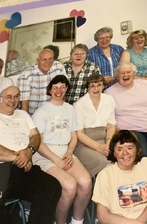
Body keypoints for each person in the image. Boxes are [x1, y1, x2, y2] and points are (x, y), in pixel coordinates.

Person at [0, 86, 62, 224]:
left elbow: (35, 136)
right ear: (0, 99)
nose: (13, 100)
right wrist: (19, 158)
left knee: (52, 186)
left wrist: (29, 151)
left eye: (16, 96)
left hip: (21, 170)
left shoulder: (23, 115)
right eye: (8, 96)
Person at [32, 75, 92, 224]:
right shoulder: (41, 112)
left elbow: (74, 136)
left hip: (65, 151)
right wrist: (56, 160)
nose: (58, 91)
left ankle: (77, 220)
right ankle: (60, 222)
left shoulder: (70, 109)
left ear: (66, 89)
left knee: (85, 183)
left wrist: (69, 152)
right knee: (70, 186)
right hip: (45, 154)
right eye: (55, 87)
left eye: (62, 87)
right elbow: (37, 143)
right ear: (49, 90)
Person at [92, 130, 147, 224]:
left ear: (137, 149)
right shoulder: (105, 175)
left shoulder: (146, 164)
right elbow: (103, 216)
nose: (125, 153)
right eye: (119, 149)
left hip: (144, 220)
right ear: (114, 153)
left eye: (130, 148)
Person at [105, 61, 147, 156]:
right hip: (130, 129)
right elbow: (107, 117)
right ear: (118, 75)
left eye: (129, 72)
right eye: (122, 73)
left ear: (134, 74)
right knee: (141, 154)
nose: (126, 75)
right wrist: (118, 131)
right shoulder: (109, 92)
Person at [73, 73, 116, 177]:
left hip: (105, 140)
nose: (96, 88)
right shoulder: (79, 105)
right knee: (105, 165)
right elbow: (80, 134)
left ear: (103, 86)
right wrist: (99, 147)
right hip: (85, 144)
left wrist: (108, 143)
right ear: (87, 88)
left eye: (99, 85)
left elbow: (111, 125)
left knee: (120, 160)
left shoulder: (109, 100)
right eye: (92, 86)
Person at [17, 48, 66, 115]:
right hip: (33, 115)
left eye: (50, 59)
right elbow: (24, 103)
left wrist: (62, 113)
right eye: (44, 59)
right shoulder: (26, 75)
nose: (47, 62)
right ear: (37, 61)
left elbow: (62, 92)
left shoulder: (59, 68)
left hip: (53, 114)